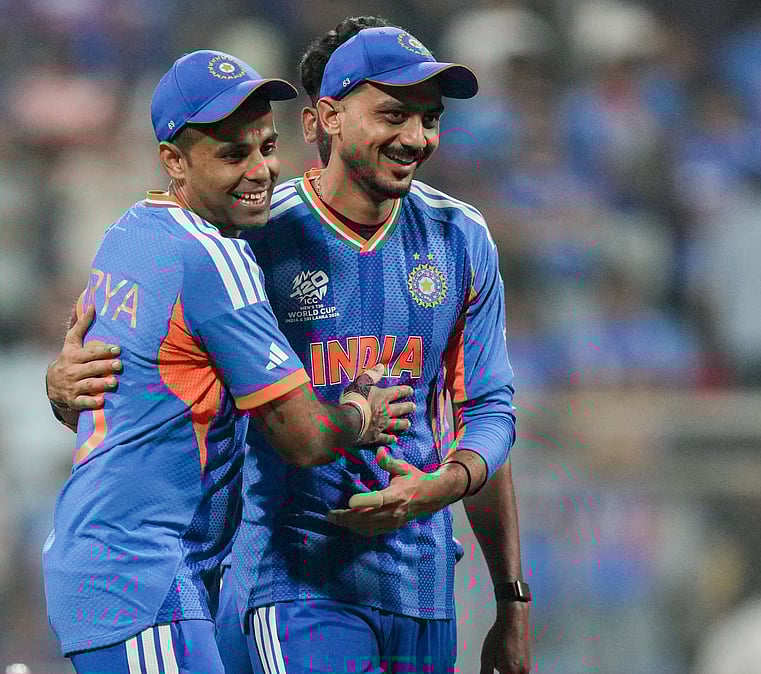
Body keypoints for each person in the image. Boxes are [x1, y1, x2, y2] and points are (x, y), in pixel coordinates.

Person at [48, 19, 530, 674]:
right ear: (326, 119)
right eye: (394, 113)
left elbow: (488, 414)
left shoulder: (461, 237)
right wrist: (62, 381)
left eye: (429, 117)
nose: (416, 137)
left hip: (422, 584)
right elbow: (142, 360)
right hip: (291, 582)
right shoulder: (249, 232)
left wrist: (507, 590)